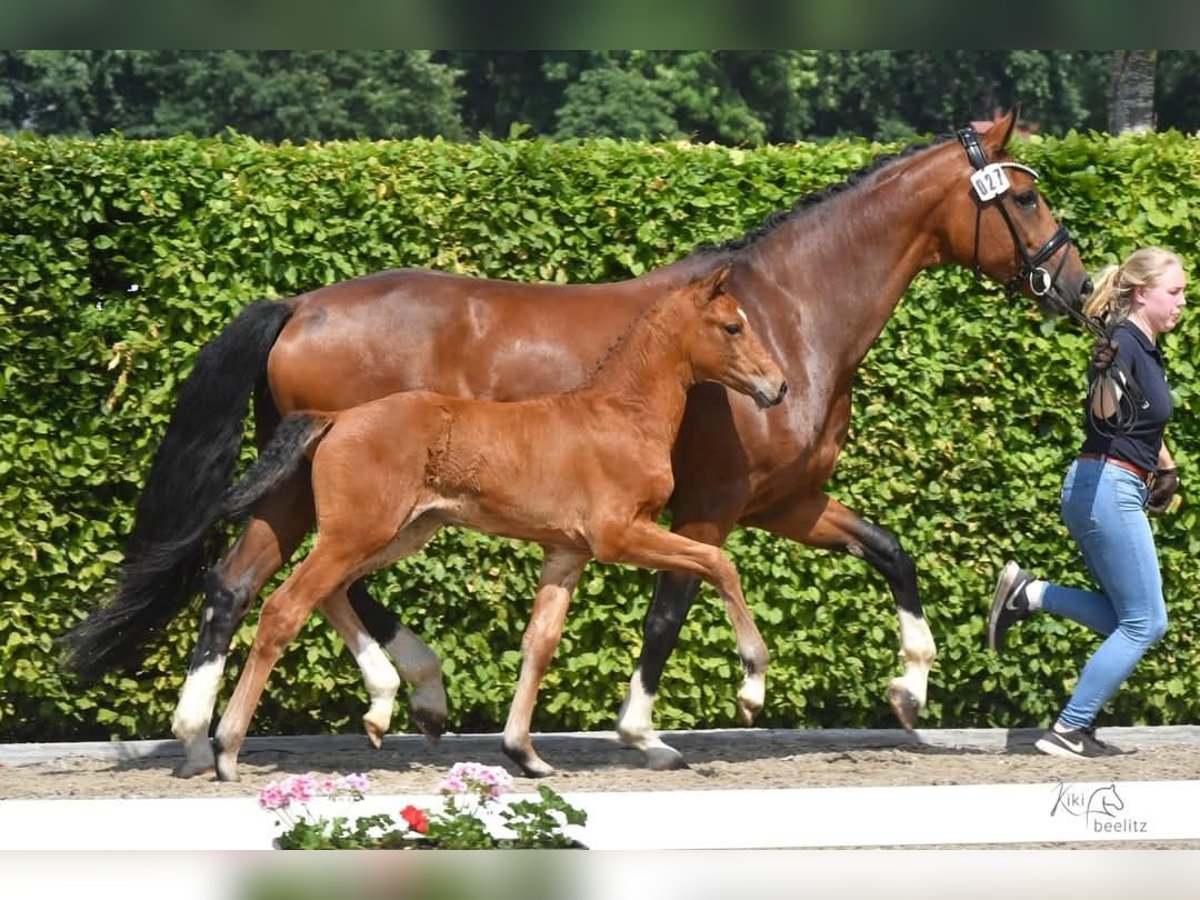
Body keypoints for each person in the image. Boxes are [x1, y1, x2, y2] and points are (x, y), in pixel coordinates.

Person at [988, 245, 1187, 759]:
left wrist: (1165, 466)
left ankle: (1030, 595)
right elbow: (1103, 415)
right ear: (1143, 294)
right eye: (1175, 292)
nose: (1183, 301)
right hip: (1108, 489)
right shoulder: (1119, 343)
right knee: (1147, 622)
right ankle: (1068, 729)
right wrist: (1102, 376)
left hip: (1104, 486)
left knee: (1125, 617)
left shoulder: (1144, 345)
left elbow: (1143, 419)